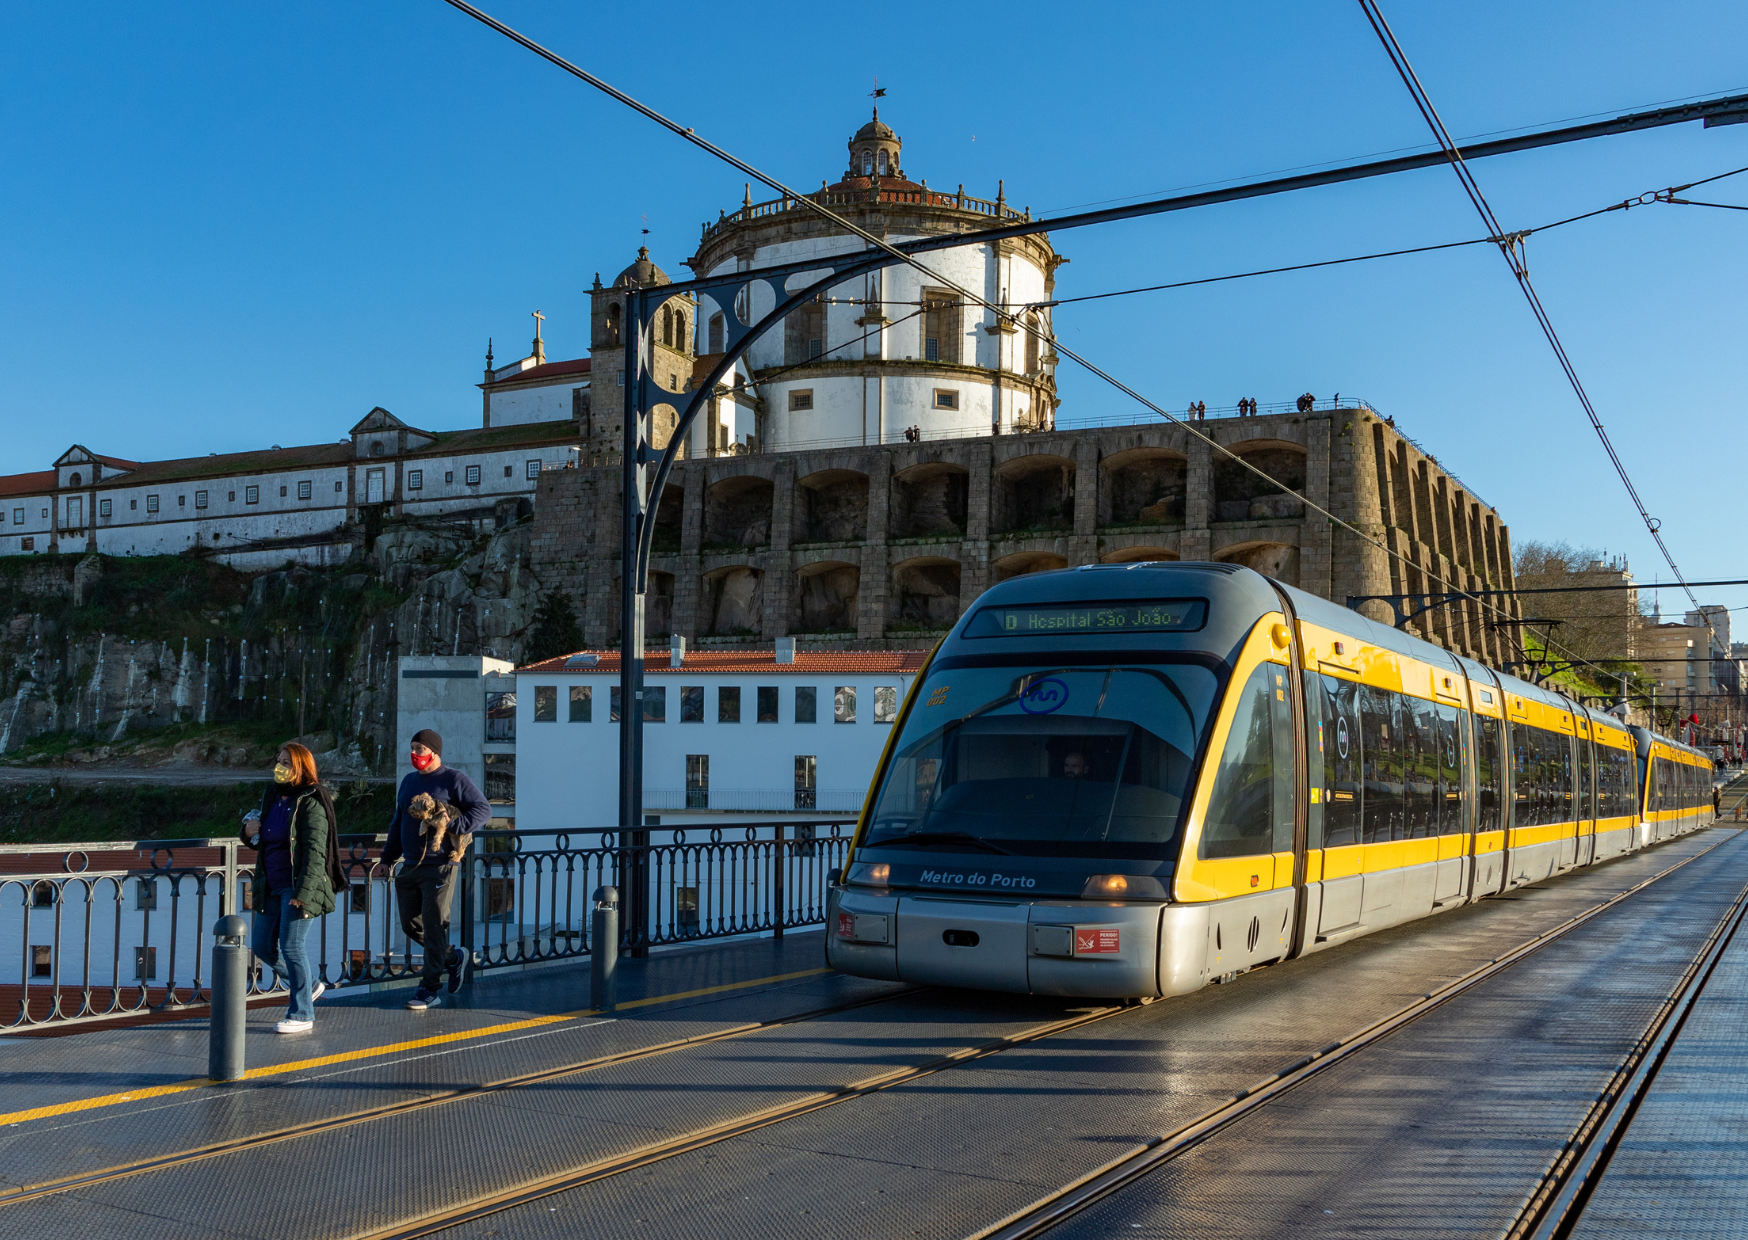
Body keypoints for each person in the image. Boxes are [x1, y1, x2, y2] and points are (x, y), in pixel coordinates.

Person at [382, 729, 491, 1010]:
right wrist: (386, 858)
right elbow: (397, 823)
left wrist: (452, 825)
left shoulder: (454, 779)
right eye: (412, 748)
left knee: (433, 927)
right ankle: (453, 958)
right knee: (410, 924)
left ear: (434, 752)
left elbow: (483, 809)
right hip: (410, 865)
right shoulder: (408, 782)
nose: (414, 754)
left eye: (419, 748)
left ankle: (429, 989)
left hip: (441, 864)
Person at [240, 742, 343, 1034]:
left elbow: (314, 852)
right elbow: (263, 838)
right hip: (270, 884)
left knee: (292, 946)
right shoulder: (273, 796)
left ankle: (302, 1013)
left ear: (300, 767)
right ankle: (309, 985)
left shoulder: (312, 801)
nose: (279, 767)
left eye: (285, 762)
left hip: (296, 887)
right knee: (261, 945)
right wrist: (246, 831)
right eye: (278, 760)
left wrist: (303, 895)